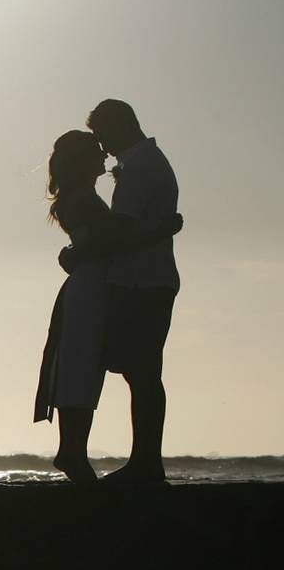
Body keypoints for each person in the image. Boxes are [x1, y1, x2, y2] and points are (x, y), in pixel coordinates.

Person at [34, 127, 181, 483]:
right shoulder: (83, 200)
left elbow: (104, 242)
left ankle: (73, 450)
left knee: (84, 365)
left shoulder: (80, 197)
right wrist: (160, 232)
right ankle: (71, 451)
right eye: (95, 151)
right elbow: (112, 242)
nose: (104, 154)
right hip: (90, 289)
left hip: (95, 286)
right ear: (83, 161)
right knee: (81, 365)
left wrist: (74, 253)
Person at [72, 99, 181, 484]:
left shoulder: (140, 168)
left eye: (101, 136)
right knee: (141, 371)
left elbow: (122, 230)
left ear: (117, 126)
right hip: (145, 279)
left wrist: (77, 252)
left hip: (142, 281)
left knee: (143, 372)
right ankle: (145, 461)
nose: (101, 147)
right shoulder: (146, 163)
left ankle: (146, 463)